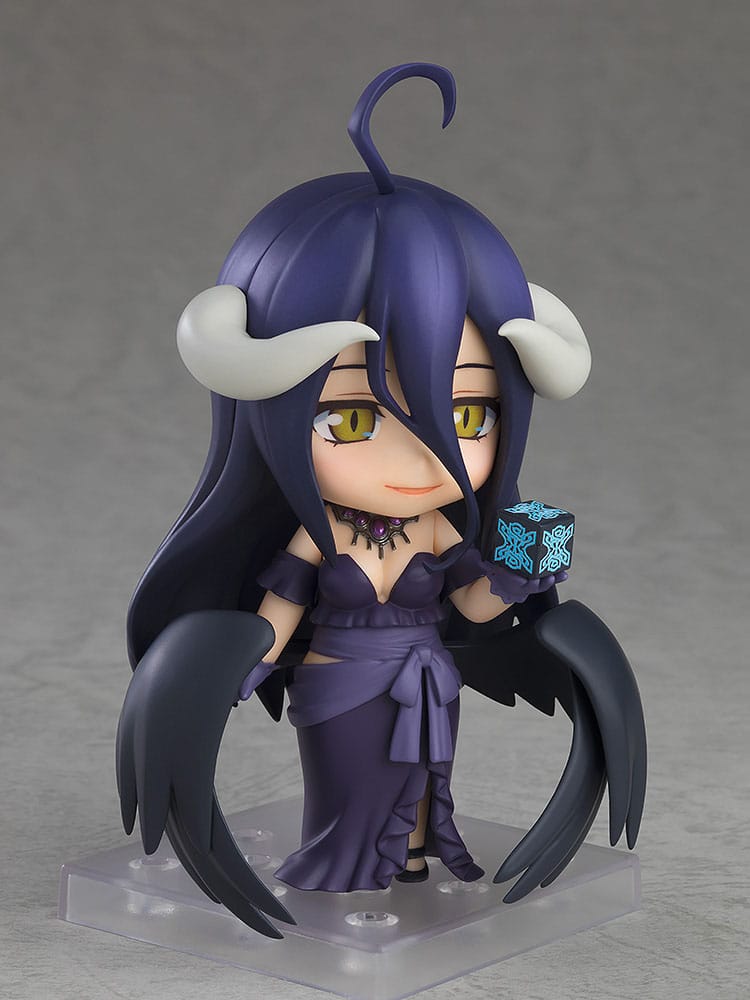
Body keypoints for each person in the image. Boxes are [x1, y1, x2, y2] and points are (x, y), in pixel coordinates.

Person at [118, 63, 646, 939]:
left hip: (428, 682)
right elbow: (277, 616)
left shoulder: (436, 523)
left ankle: (408, 856)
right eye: (354, 417)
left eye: (467, 413)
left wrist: (519, 575)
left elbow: (470, 606)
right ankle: (347, 863)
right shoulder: (318, 536)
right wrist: (233, 674)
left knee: (424, 791)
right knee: (353, 789)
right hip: (341, 687)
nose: (423, 455)